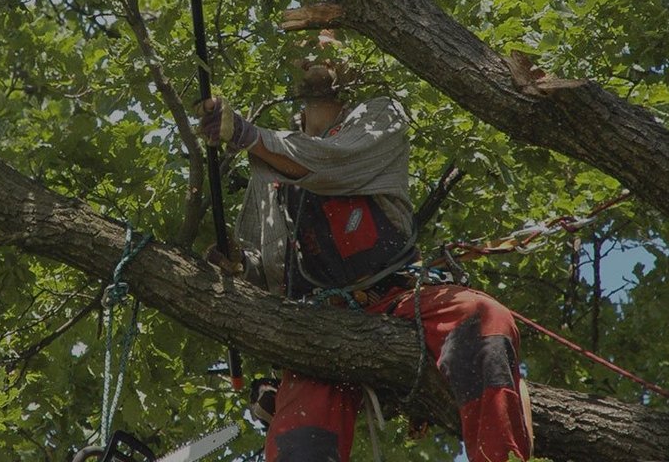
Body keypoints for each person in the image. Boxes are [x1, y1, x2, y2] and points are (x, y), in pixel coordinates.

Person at [197, 62, 532, 462]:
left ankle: (500, 456)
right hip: (319, 323)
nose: (319, 48)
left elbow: (328, 164)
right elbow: (270, 273)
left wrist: (250, 136)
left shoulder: (378, 119)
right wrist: (238, 264)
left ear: (351, 66)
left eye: (330, 37)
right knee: (300, 440)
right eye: (308, 43)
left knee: (483, 316)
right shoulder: (269, 162)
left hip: (400, 300)